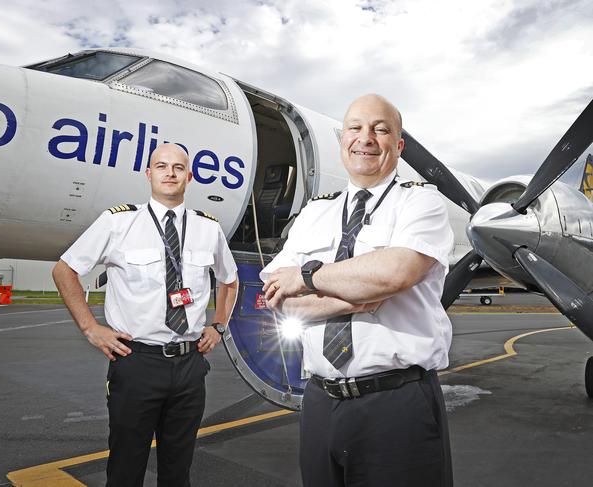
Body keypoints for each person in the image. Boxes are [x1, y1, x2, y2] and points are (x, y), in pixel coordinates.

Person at [261, 94, 454, 487]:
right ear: (342, 141)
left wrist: (308, 276)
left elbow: (396, 272)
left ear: (398, 146)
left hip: (396, 404)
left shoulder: (422, 202)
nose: (366, 138)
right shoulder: (315, 212)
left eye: (381, 130)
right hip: (318, 403)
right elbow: (279, 299)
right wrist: (359, 292)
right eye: (356, 128)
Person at [52, 143, 239, 487]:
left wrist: (219, 325)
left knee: (178, 470)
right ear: (149, 174)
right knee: (125, 468)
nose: (170, 173)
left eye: (179, 168)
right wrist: (90, 328)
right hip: (137, 362)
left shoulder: (208, 228)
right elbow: (65, 270)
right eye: (162, 166)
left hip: (189, 364)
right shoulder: (118, 222)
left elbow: (230, 280)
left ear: (189, 176)